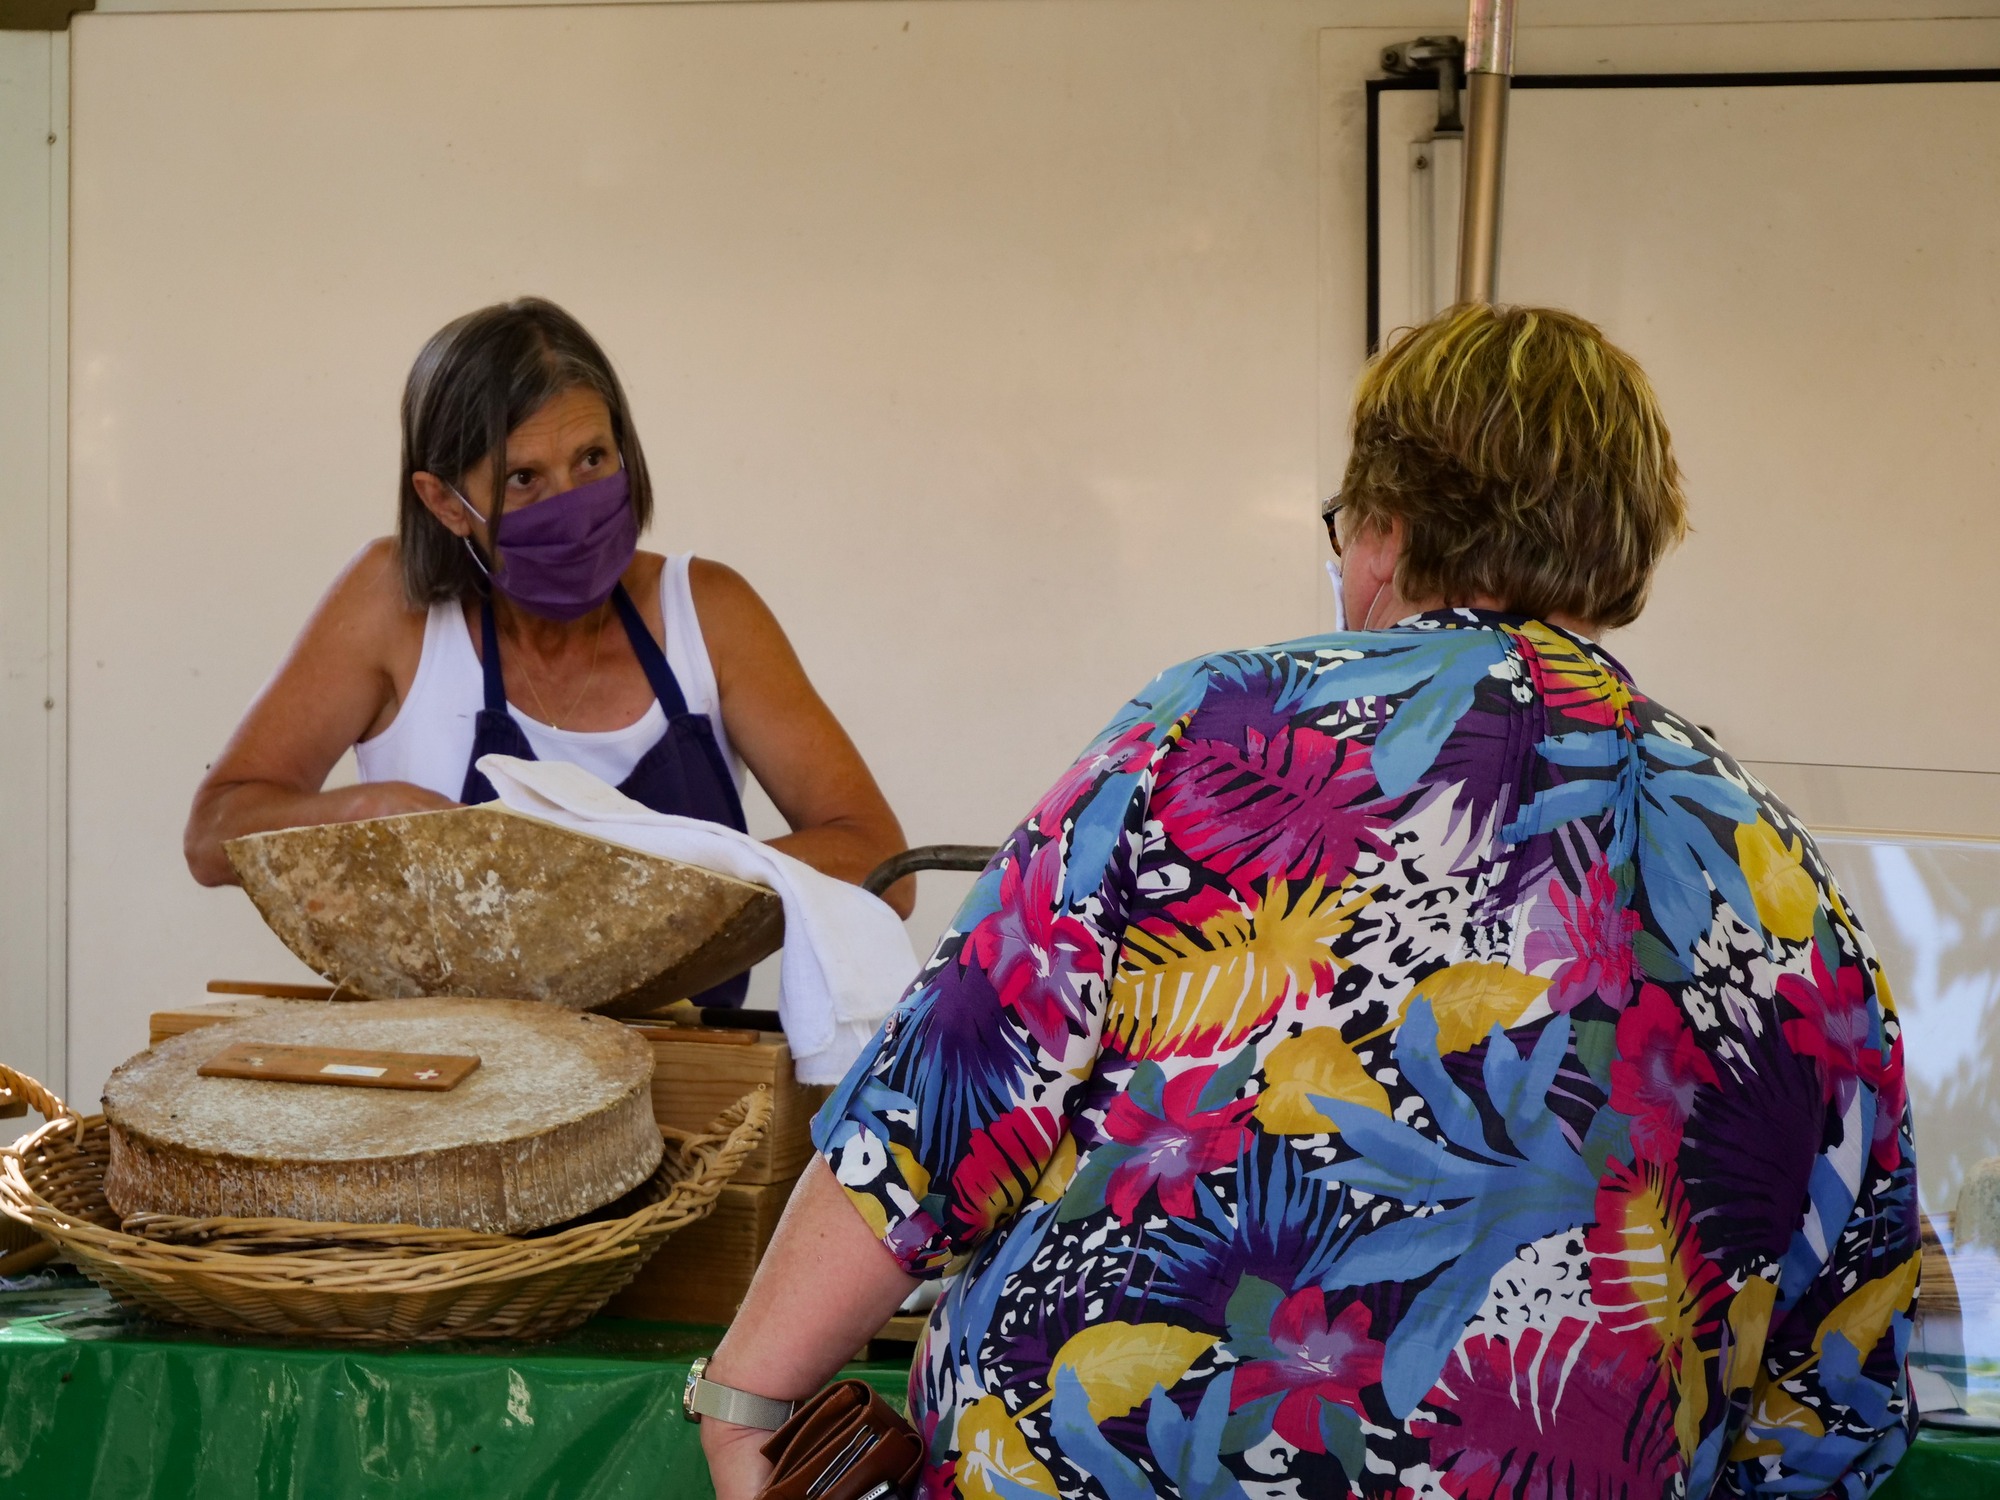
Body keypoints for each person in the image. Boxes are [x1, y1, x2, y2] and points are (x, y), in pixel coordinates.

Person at [693, 304, 1918, 1496]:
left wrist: (751, 1396)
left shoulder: (1221, 729)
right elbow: (1836, 1365)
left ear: (1384, 525)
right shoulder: (1776, 874)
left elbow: (950, 1096)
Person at [185, 299, 912, 999]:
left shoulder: (709, 613)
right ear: (444, 502)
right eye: (524, 479)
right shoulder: (391, 607)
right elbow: (215, 837)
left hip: (688, 1080)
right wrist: (372, 811)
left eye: (592, 459)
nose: (570, 503)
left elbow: (882, 862)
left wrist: (664, 879)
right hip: (443, 1081)